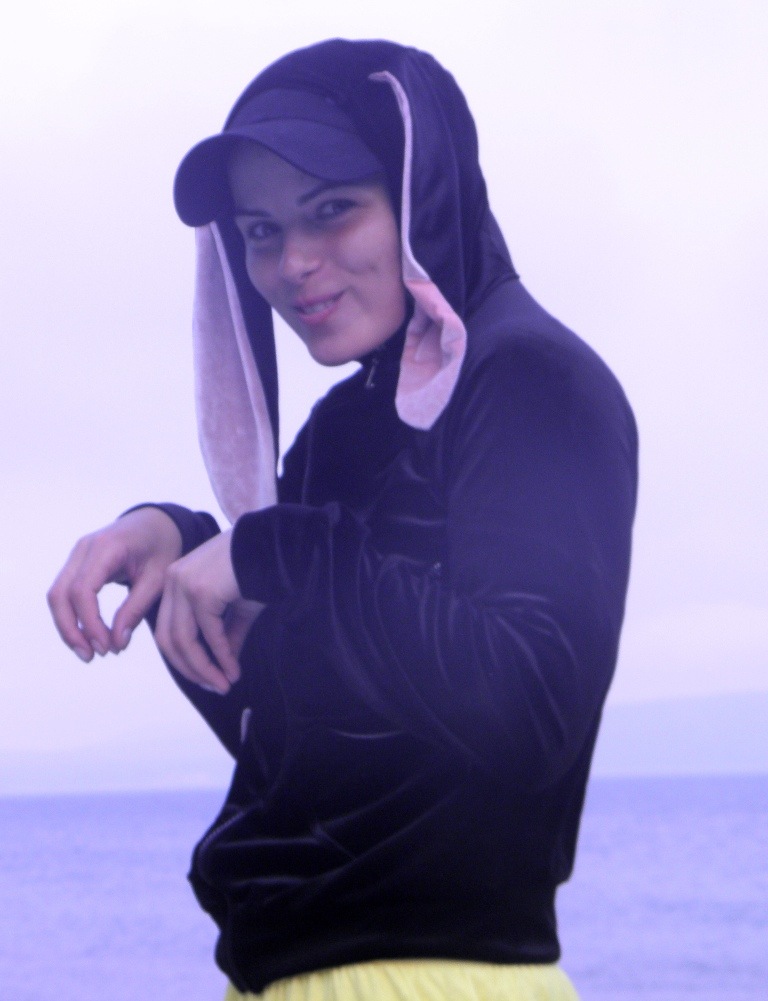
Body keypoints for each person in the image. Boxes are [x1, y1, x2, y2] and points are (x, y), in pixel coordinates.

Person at [47, 39, 638, 1001]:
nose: (293, 264)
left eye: (331, 210)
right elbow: (304, 744)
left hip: (437, 978)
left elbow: (530, 713)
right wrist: (179, 550)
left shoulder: (531, 378)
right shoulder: (343, 428)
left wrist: (273, 549)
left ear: (421, 192)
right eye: (260, 230)